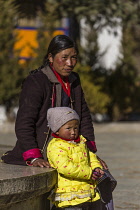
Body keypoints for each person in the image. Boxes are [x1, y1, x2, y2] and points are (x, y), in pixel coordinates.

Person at [1, 35, 107, 169]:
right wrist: (34, 156)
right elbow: (24, 122)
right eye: (64, 57)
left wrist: (88, 152)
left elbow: (84, 116)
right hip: (43, 150)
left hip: (69, 149)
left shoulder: (74, 80)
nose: (70, 63)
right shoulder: (36, 82)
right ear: (50, 57)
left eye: (74, 57)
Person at [46, 107, 105, 210]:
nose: (73, 132)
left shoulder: (81, 142)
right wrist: (89, 173)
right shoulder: (56, 146)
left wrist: (96, 167)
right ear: (57, 130)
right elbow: (65, 167)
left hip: (87, 189)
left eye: (76, 128)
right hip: (70, 194)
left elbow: (90, 156)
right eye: (68, 128)